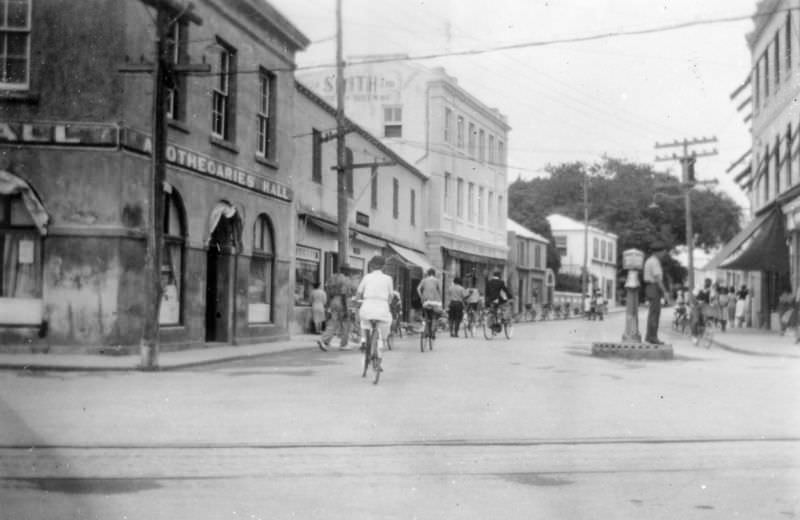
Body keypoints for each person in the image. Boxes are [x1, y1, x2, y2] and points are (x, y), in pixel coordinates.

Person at [355, 255, 394, 370]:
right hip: (382, 308)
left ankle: (363, 340)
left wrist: (358, 301)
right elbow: (390, 296)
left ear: (371, 266)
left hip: (367, 307)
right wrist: (387, 302)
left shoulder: (367, 277)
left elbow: (358, 293)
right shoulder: (388, 278)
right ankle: (383, 341)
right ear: (383, 267)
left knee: (363, 322)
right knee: (386, 322)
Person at [317, 264, 355, 351]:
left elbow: (327, 291)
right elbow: (344, 294)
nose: (349, 272)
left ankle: (324, 340)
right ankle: (343, 344)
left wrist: (328, 304)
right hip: (341, 301)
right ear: (346, 271)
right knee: (346, 323)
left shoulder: (332, 278)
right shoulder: (346, 280)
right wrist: (345, 309)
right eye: (348, 270)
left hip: (333, 301)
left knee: (333, 322)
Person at [643, 241, 668, 345]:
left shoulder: (650, 260)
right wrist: (665, 291)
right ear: (658, 252)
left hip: (650, 287)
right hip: (654, 287)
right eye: (663, 252)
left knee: (653, 313)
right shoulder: (655, 262)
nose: (664, 254)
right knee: (655, 313)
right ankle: (653, 337)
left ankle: (650, 336)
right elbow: (658, 278)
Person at [417, 268, 442, 337]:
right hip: (435, 302)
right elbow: (439, 291)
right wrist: (439, 299)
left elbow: (418, 288)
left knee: (425, 315)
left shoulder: (424, 280)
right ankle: (433, 331)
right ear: (434, 274)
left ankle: (425, 328)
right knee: (435, 315)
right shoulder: (436, 280)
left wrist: (421, 296)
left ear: (428, 274)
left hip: (426, 301)